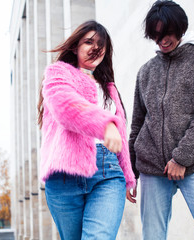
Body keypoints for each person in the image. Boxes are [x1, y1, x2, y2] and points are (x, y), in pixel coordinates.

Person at [126, 1, 194, 239]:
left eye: (167, 33)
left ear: (180, 27)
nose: (162, 40)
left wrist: (182, 157)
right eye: (155, 35)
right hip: (152, 168)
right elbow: (137, 124)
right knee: (152, 236)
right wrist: (131, 171)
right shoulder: (145, 72)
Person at [37, 20, 136, 240]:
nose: (95, 48)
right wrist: (104, 125)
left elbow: (120, 136)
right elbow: (65, 105)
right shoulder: (57, 74)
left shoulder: (110, 88)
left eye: (101, 45)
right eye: (88, 42)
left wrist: (128, 176)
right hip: (64, 177)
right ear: (75, 46)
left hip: (107, 174)